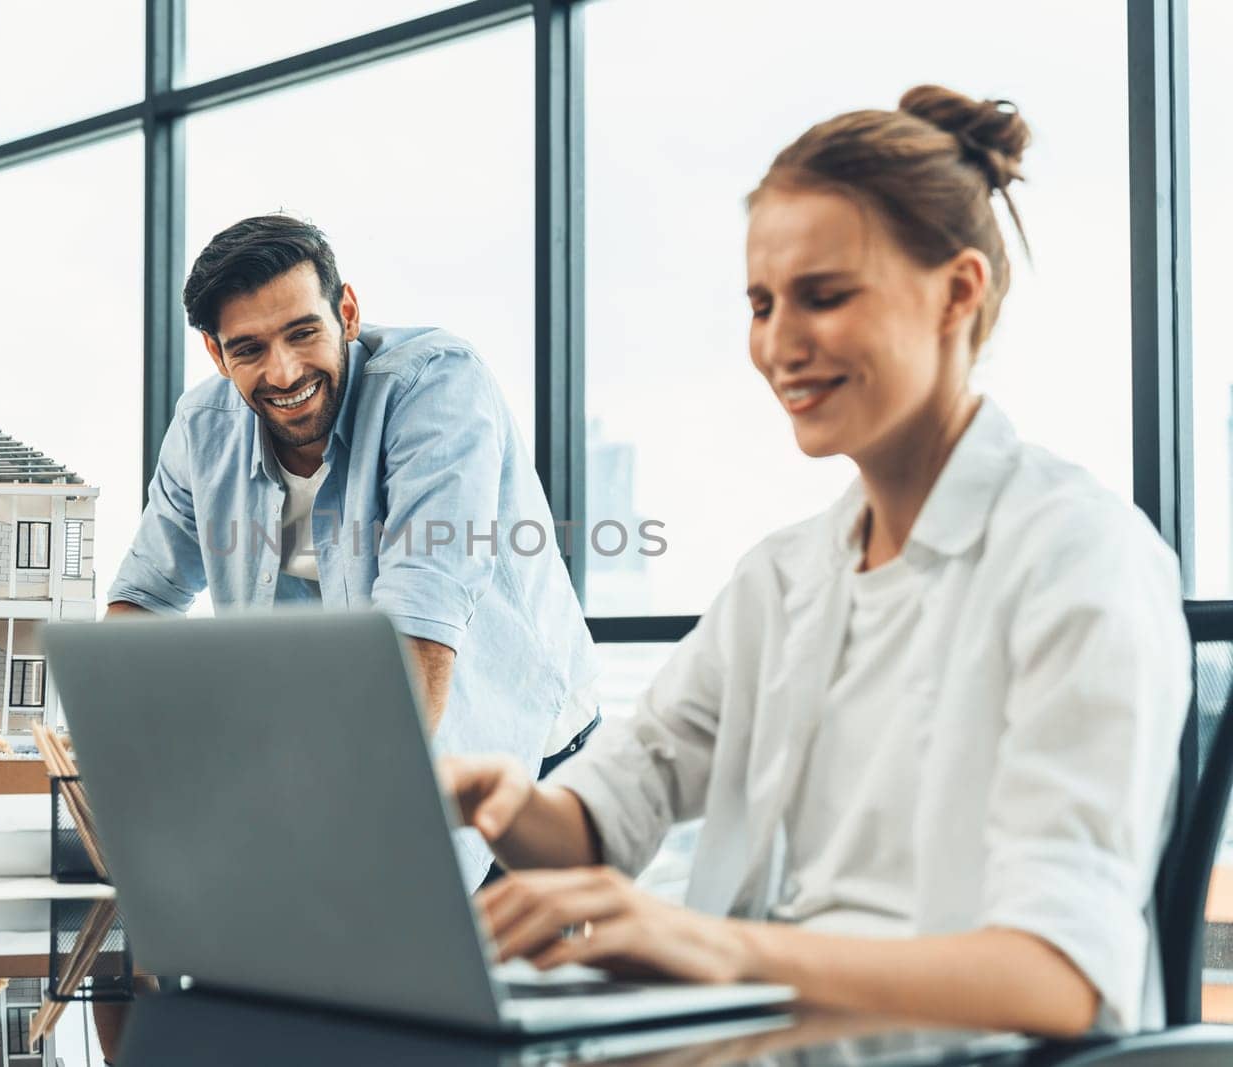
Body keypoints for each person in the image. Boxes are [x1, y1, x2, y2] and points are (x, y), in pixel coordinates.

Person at [441, 85, 1190, 1037]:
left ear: (958, 292)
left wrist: (720, 948)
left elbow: (1063, 979)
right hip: (767, 1041)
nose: (779, 345)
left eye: (824, 297)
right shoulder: (782, 579)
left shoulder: (1081, 558)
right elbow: (603, 821)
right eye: (761, 304)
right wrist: (501, 800)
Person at [108, 214, 600, 888]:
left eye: (302, 332)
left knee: (495, 981)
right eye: (248, 348)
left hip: (514, 751)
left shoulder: (436, 387)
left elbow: (418, 630)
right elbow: (144, 600)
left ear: (346, 311)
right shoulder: (204, 427)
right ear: (217, 356)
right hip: (347, 755)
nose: (283, 372)